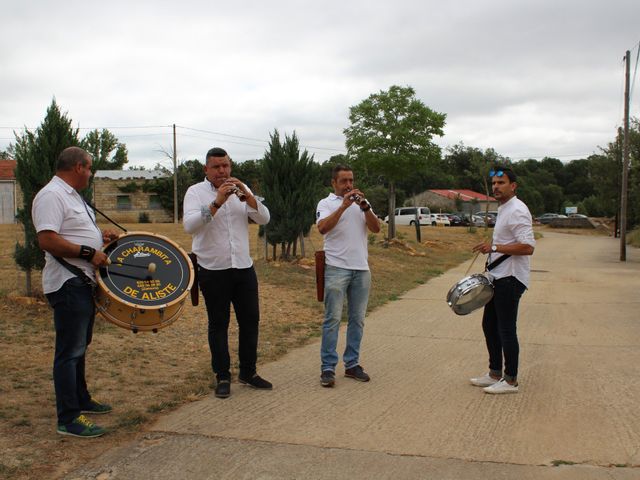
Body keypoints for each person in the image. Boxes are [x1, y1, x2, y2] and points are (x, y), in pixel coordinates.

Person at [32, 146, 119, 437]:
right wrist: (87, 252)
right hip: (67, 283)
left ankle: (81, 399)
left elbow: (70, 231)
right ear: (79, 167)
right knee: (69, 352)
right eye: (90, 168)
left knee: (80, 347)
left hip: (80, 282)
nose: (91, 173)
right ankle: (68, 418)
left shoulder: (70, 195)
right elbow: (47, 239)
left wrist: (99, 237)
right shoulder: (51, 195)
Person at [183, 147, 271, 399]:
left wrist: (248, 197)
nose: (222, 171)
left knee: (250, 321)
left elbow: (264, 218)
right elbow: (190, 226)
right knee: (219, 324)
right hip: (213, 268)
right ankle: (222, 376)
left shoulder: (241, 189)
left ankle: (248, 372)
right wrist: (218, 201)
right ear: (206, 170)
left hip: (243, 266)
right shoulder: (195, 192)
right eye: (217, 167)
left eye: (226, 166)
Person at [470, 166, 535, 394]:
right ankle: (495, 373)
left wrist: (495, 247)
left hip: (511, 278)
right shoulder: (505, 208)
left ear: (513, 186)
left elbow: (528, 247)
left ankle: (510, 380)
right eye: (494, 183)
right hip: (498, 277)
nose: (496, 187)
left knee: (506, 329)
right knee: (490, 326)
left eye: (502, 183)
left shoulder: (517, 209)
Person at [316, 164, 380, 387]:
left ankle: (352, 364)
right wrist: (343, 206)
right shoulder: (326, 204)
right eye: (343, 181)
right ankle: (327, 367)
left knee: (357, 320)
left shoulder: (363, 203)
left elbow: (376, 229)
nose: (349, 185)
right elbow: (323, 228)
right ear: (334, 183)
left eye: (351, 180)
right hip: (336, 268)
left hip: (361, 269)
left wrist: (365, 208)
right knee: (332, 319)